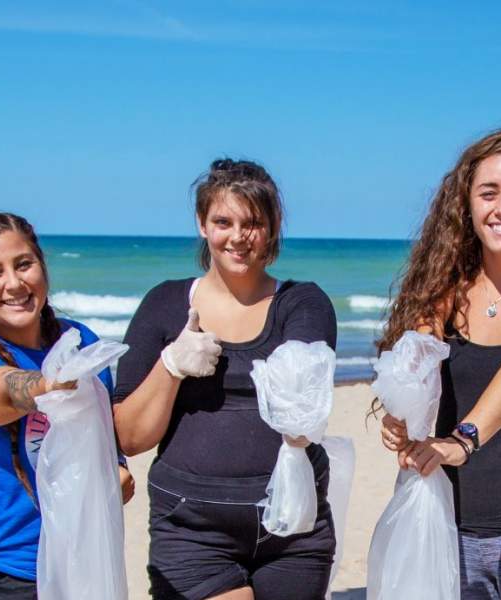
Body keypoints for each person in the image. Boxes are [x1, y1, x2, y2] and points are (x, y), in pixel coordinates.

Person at [114, 158, 337, 600]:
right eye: (222, 221)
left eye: (253, 222)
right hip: (191, 526)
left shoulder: (303, 303)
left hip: (293, 526)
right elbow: (130, 437)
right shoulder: (163, 303)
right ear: (202, 224)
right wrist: (172, 365)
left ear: (272, 228)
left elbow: (303, 408)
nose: (237, 236)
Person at [379, 129, 501, 598]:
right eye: (489, 193)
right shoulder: (445, 294)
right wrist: (401, 419)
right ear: (468, 204)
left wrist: (461, 441)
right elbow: (413, 363)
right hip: (450, 530)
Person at [0, 212, 134, 600]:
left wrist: (116, 469)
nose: (14, 283)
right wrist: (49, 384)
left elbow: (99, 430)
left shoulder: (79, 341)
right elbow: (2, 394)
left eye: (24, 264)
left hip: (79, 559)